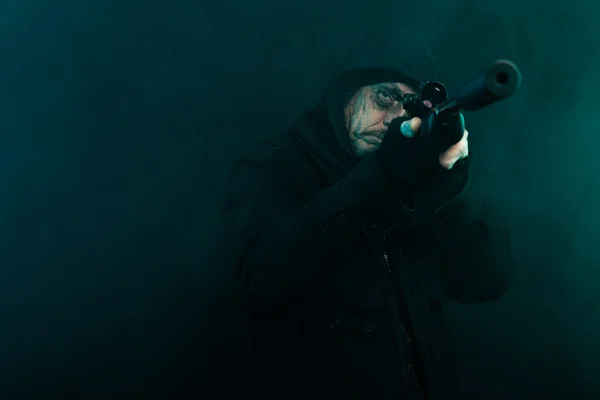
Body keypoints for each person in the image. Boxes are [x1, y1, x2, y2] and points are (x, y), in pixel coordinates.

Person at [219, 30, 515, 400]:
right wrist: (381, 183)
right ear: (344, 95)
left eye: (410, 105)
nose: (394, 117)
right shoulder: (273, 166)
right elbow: (258, 277)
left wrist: (455, 191)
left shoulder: (417, 183)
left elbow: (486, 283)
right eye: (385, 97)